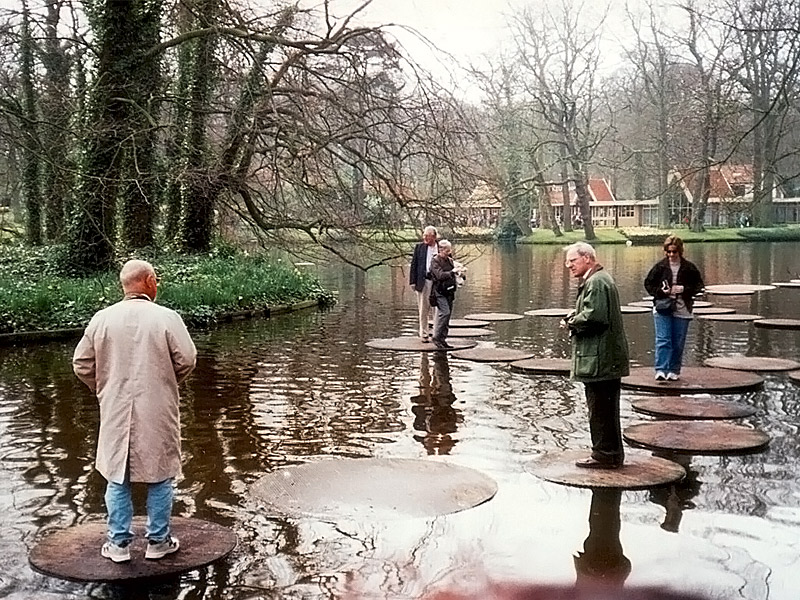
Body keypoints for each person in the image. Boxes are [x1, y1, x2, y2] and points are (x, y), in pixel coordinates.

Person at [72, 259, 197, 563]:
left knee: (117, 474)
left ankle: (118, 545)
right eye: (157, 280)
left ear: (124, 285)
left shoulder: (102, 319)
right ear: (150, 281)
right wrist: (167, 380)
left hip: (114, 407)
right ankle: (158, 542)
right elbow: (188, 359)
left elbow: (81, 364)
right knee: (161, 473)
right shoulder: (167, 317)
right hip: (158, 407)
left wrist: (103, 388)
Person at [561, 242, 629, 469]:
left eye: (572, 260)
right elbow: (594, 312)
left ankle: (604, 454)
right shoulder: (600, 279)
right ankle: (611, 453)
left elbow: (594, 317)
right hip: (606, 357)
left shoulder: (596, 282)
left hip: (601, 359)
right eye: (568, 261)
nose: (568, 265)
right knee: (607, 408)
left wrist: (571, 322)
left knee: (600, 409)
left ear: (587, 258)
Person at [644, 235, 704, 381]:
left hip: (682, 308)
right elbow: (648, 284)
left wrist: (684, 289)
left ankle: (673, 369)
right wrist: (661, 291)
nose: (671, 255)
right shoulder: (660, 267)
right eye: (668, 252)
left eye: (674, 252)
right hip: (663, 307)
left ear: (680, 251)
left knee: (678, 341)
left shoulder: (689, 268)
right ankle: (661, 369)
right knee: (663, 339)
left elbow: (699, 286)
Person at [429, 239, 462, 349]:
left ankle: (443, 339)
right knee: (445, 313)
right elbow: (440, 275)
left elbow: (454, 273)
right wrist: (452, 272)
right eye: (447, 250)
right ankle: (436, 337)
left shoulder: (450, 260)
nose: (449, 252)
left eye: (449, 250)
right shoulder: (435, 261)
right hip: (439, 292)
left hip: (449, 291)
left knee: (447, 317)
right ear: (441, 250)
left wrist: (460, 273)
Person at [410, 225, 439, 341]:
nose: (426, 238)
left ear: (434, 236)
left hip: (437, 282)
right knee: (423, 308)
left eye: (428, 236)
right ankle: (424, 333)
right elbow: (414, 265)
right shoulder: (419, 248)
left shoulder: (441, 247)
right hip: (423, 281)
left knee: (437, 308)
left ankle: (437, 333)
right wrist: (412, 281)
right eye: (424, 235)